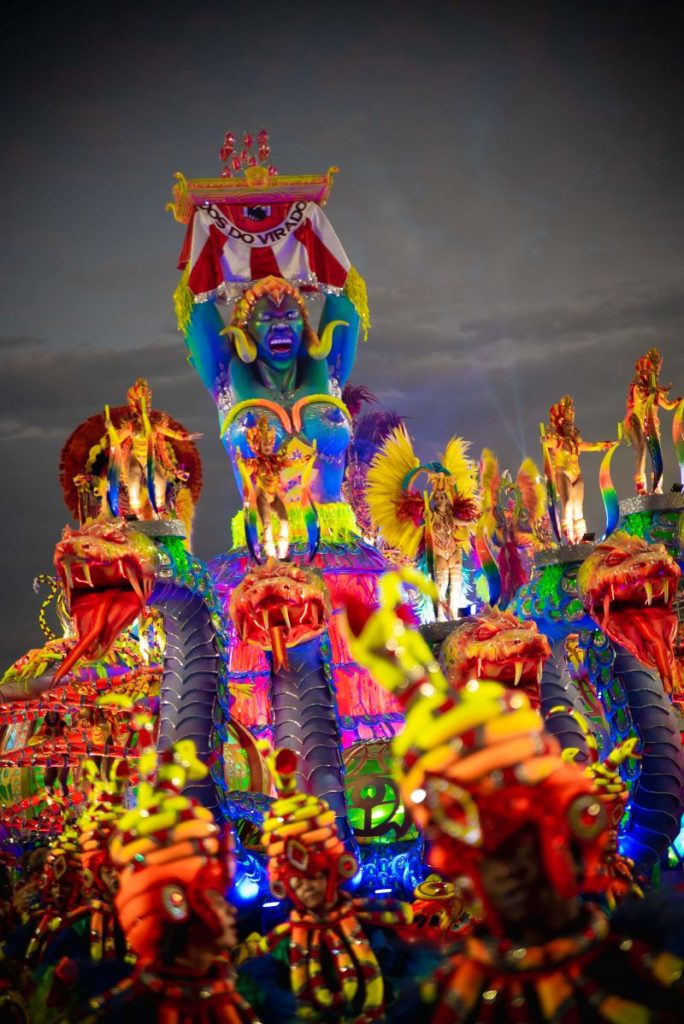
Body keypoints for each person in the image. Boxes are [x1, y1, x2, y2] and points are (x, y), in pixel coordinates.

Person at [344, 568, 684, 1023]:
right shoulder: (442, 1001)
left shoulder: (651, 965)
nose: (513, 872)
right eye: (491, 854)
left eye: (527, 845)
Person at [544, 395, 612, 544]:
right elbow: (549, 443)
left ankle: (580, 536)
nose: (571, 427)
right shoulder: (559, 442)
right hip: (563, 473)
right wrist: (545, 440)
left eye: (572, 424)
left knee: (578, 506)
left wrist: (605, 445)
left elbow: (590, 446)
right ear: (561, 425)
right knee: (567, 503)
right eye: (567, 424)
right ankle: (569, 536)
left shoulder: (575, 442)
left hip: (577, 475)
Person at [623, 347, 682, 494]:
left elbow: (668, 405)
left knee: (657, 453)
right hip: (636, 421)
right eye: (651, 370)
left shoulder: (656, 391)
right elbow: (639, 399)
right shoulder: (638, 387)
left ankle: (657, 487)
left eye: (656, 370)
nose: (654, 373)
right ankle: (640, 486)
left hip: (652, 424)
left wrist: (679, 401)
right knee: (641, 449)